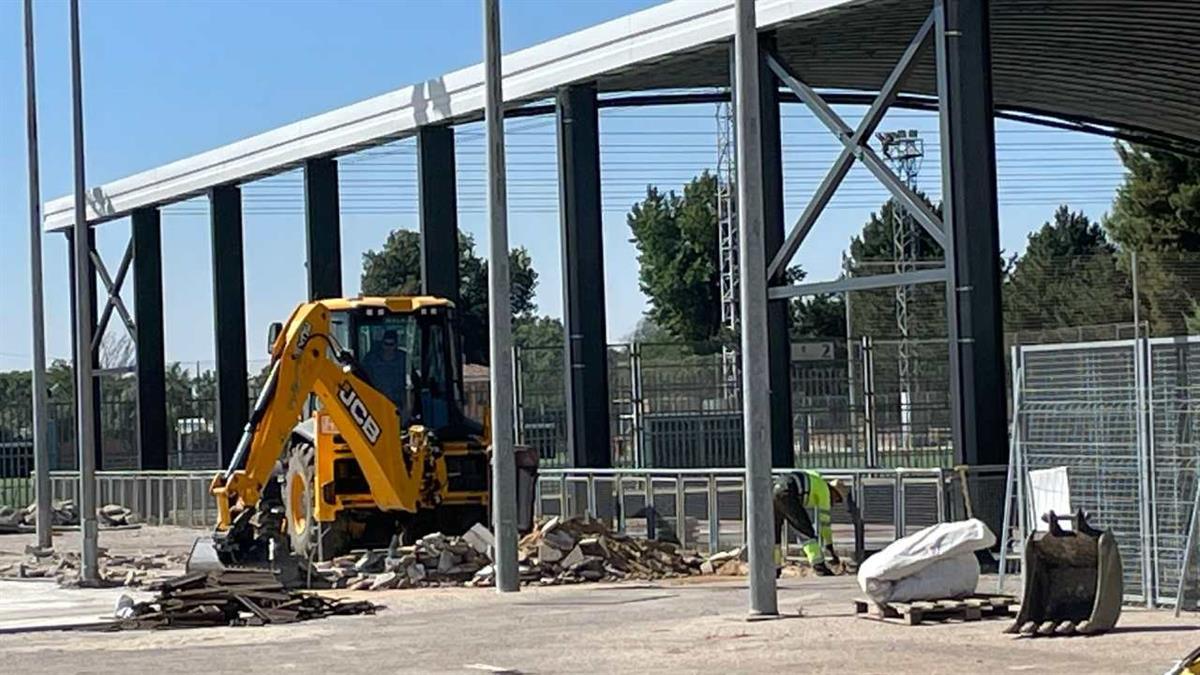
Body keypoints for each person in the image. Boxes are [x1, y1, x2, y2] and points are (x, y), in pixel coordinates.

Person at [772, 470, 849, 576]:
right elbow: (824, 525)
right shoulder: (825, 491)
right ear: (834, 492)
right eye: (838, 499)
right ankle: (819, 567)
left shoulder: (816, 479)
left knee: (774, 534)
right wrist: (829, 547)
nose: (835, 502)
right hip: (789, 492)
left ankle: (774, 569)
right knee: (805, 532)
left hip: (776, 489)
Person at [361, 329, 408, 415]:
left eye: (391, 344)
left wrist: (407, 409)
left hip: (398, 404)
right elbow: (362, 379)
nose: (388, 348)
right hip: (375, 403)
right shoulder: (371, 359)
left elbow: (411, 384)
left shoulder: (404, 359)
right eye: (386, 344)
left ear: (396, 345)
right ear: (382, 344)